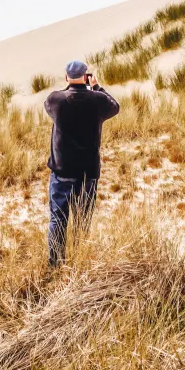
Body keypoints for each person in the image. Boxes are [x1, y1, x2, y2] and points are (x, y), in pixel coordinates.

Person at [43, 60, 120, 265]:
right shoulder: (97, 100)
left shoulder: (56, 99)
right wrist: (96, 86)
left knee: (58, 218)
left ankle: (56, 263)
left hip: (62, 171)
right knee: (82, 220)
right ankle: (78, 260)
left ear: (67, 77)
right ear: (86, 76)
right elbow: (115, 106)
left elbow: (49, 104)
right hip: (88, 172)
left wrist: (71, 86)